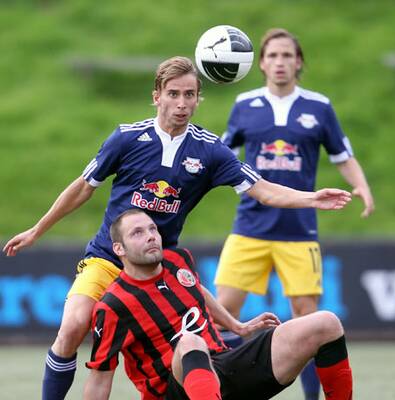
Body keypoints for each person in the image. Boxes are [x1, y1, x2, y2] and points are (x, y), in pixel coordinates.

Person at [2, 56, 351, 400]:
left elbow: (262, 189)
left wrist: (311, 198)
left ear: (198, 99)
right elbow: (83, 187)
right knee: (73, 326)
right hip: (108, 259)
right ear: (157, 96)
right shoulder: (126, 138)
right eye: (173, 94)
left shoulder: (210, 151)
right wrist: (37, 230)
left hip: (160, 267)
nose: (181, 103)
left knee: (191, 347)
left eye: (189, 95)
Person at [214, 28, 374, 400]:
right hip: (249, 227)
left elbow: (342, 155)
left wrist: (362, 187)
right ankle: (221, 390)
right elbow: (222, 154)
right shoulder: (245, 104)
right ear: (261, 63)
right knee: (224, 313)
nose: (280, 62)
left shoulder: (319, 106)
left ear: (299, 62)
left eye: (287, 55)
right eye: (272, 55)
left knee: (307, 318)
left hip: (299, 232)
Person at [84, 208, 353, 400]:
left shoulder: (178, 260)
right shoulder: (113, 305)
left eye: (152, 228)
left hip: (222, 367)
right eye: (137, 233)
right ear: (119, 249)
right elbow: (99, 379)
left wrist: (237, 326)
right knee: (190, 342)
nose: (151, 236)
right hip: (172, 391)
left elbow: (196, 289)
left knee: (326, 323)